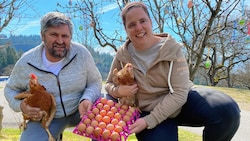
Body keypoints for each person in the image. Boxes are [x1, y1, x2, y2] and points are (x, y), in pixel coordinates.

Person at [105, 2, 240, 141]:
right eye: (131, 24)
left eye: (142, 21)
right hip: (147, 110)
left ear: (151, 22)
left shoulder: (172, 49)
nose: (138, 27)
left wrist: (149, 121)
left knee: (227, 112)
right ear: (126, 29)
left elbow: (180, 92)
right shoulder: (122, 54)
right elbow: (109, 84)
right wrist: (118, 92)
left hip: (180, 104)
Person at [4, 12, 102, 141]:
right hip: (48, 117)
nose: (60, 41)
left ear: (70, 37)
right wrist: (20, 105)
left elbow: (95, 81)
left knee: (106, 120)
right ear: (42, 36)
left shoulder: (81, 53)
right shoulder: (27, 62)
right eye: (54, 35)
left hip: (81, 110)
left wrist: (86, 99)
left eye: (65, 36)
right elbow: (10, 89)